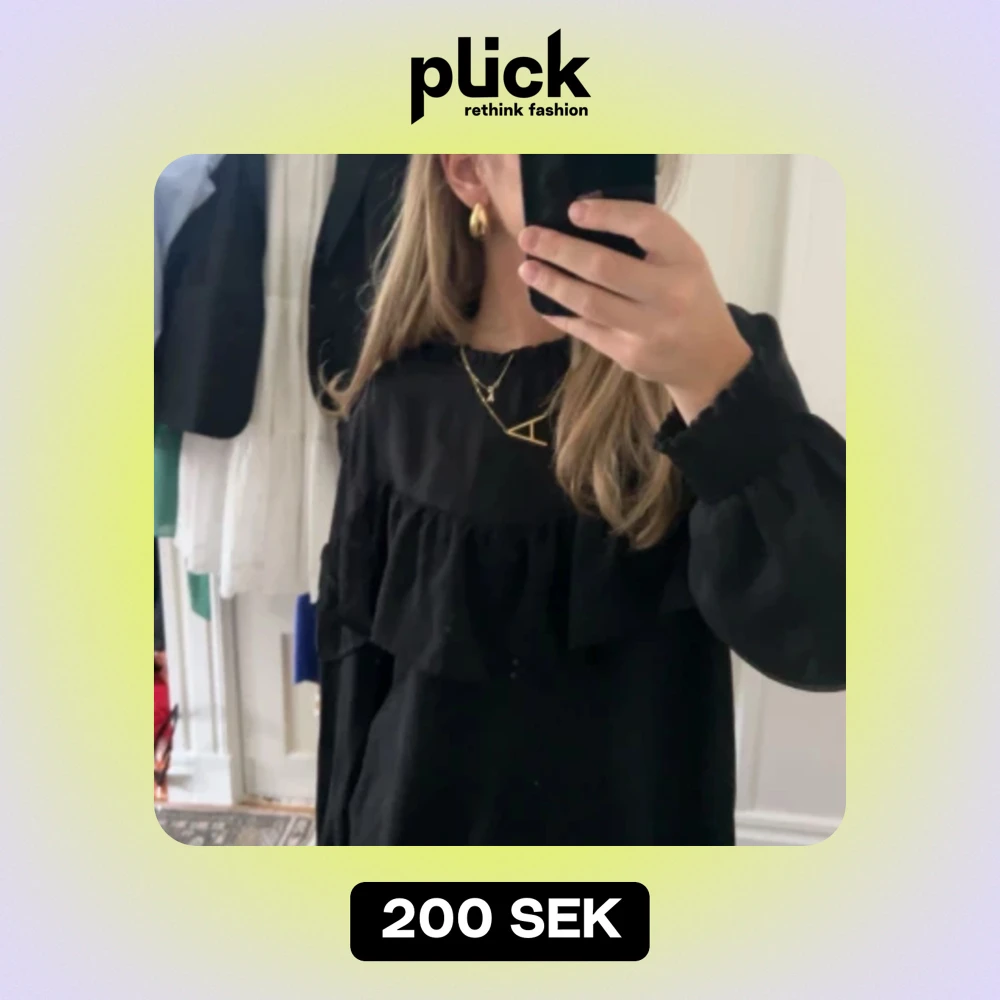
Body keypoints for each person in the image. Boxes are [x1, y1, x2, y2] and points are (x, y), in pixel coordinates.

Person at [314, 154, 845, 846]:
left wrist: (716, 385)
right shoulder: (394, 399)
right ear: (469, 172)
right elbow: (354, 657)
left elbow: (833, 633)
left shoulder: (710, 365)